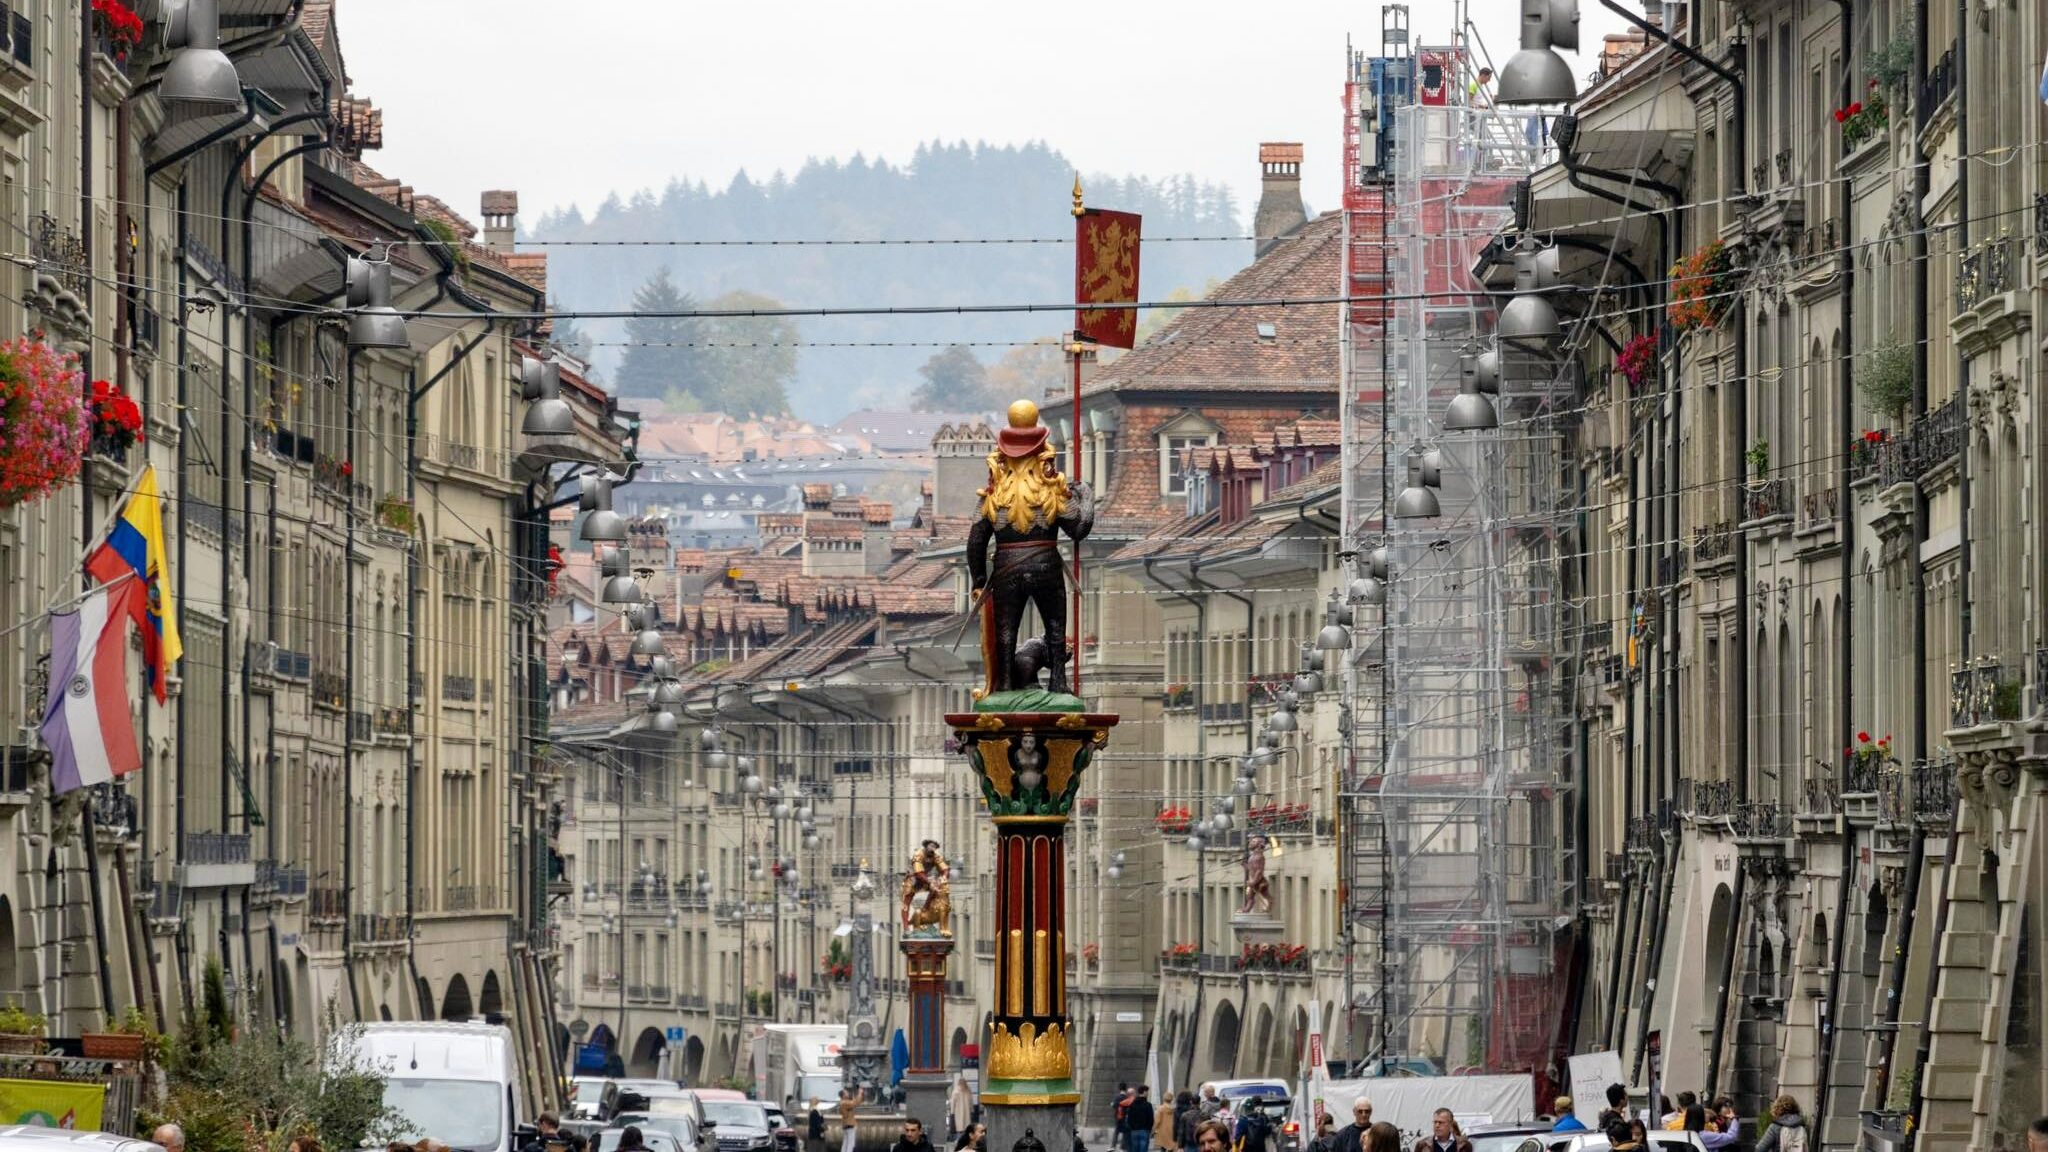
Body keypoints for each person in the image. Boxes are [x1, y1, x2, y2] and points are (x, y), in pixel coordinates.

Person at [1127, 1087, 1157, 1152]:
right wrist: (1149, 1128)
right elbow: (1151, 1119)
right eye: (1147, 1092)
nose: (1148, 1093)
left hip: (1134, 1131)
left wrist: (1132, 1127)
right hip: (1144, 1130)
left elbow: (1129, 1118)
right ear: (1144, 1092)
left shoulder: (1132, 1104)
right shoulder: (1148, 1105)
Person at [1113, 1083, 1133, 1151]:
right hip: (1125, 1118)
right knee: (1125, 1132)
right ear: (1125, 1089)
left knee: (1116, 1132)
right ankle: (1123, 1146)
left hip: (1118, 1117)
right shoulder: (1127, 1098)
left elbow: (1114, 1105)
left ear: (1119, 1089)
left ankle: (1113, 1146)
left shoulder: (1117, 1097)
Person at [840, 1088, 861, 1152]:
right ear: (843, 1095)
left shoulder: (843, 1102)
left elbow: (853, 1103)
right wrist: (859, 1093)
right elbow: (855, 1103)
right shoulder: (844, 1102)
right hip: (850, 1124)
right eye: (846, 1093)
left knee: (846, 1143)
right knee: (851, 1144)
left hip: (846, 1124)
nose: (848, 1093)